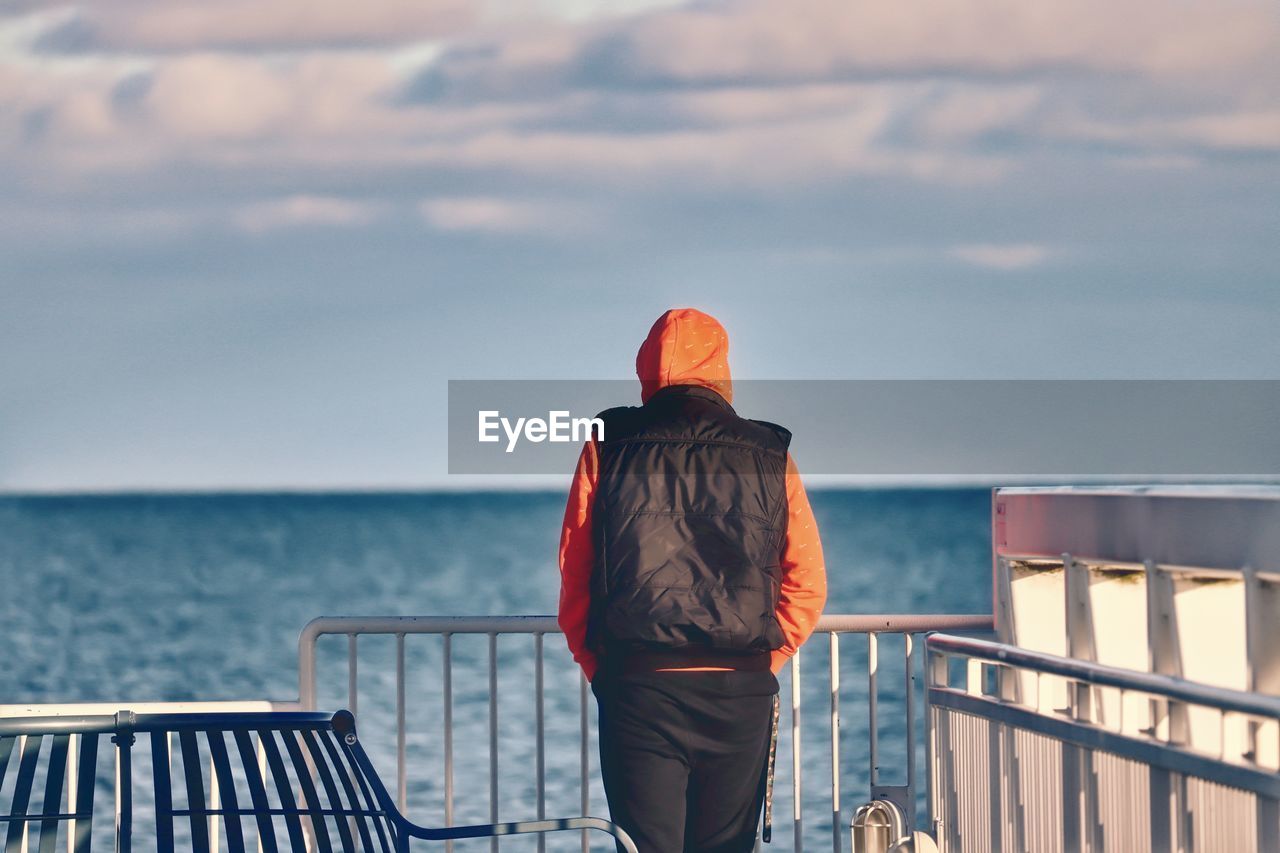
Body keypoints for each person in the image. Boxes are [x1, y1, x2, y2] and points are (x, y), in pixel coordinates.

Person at [557, 307, 827, 852]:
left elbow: (576, 570)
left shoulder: (608, 445)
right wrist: (760, 662)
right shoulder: (769, 454)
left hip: (638, 685)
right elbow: (807, 582)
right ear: (720, 367)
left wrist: (602, 667)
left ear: (648, 368)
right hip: (740, 689)